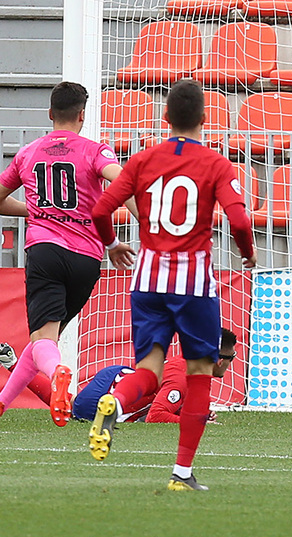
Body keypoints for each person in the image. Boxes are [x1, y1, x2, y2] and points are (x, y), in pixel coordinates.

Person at [91, 79, 256, 492]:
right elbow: (238, 220)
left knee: (150, 368)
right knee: (199, 372)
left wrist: (112, 244)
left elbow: (99, 208)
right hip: (193, 284)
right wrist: (247, 252)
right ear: (204, 119)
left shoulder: (143, 160)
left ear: (165, 118)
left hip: (147, 279)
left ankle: (119, 401)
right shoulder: (217, 164)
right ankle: (181, 473)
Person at [0, 81, 137, 427]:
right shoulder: (95, 150)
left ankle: (59, 371)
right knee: (44, 339)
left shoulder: (27, 153)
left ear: (50, 114)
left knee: (44, 341)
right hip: (86, 259)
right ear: (82, 115)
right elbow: (121, 182)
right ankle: (1, 402)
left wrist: (33, 211)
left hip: (45, 251)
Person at [0, 329, 238, 423]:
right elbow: (155, 416)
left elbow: (163, 400)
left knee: (69, 404)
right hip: (111, 391)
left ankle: (12, 363)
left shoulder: (187, 365)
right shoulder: (184, 378)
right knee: (71, 410)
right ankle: (23, 366)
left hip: (119, 377)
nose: (230, 364)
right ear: (219, 360)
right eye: (232, 358)